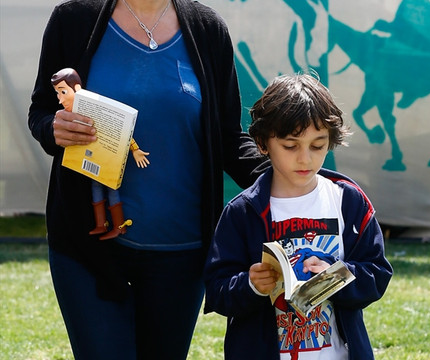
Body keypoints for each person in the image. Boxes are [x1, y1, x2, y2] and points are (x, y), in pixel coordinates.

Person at [28, 0, 267, 359]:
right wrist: (53, 128)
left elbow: (229, 138)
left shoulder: (208, 28)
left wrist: (292, 176)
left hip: (182, 253)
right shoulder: (72, 19)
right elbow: (42, 112)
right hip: (86, 249)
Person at [203, 73, 393, 360]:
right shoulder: (242, 211)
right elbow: (217, 292)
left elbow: (377, 275)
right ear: (263, 144)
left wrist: (334, 275)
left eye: (317, 146)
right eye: (291, 146)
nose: (305, 158)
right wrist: (252, 284)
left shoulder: (348, 201)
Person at [51, 67, 150, 240]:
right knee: (96, 187)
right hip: (92, 158)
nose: (60, 100)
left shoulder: (94, 107)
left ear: (77, 89)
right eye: (58, 94)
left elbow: (123, 130)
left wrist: (135, 150)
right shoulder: (71, 112)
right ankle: (101, 224)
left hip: (110, 159)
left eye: (63, 92)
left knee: (111, 189)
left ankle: (119, 227)